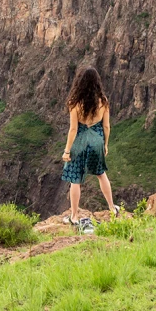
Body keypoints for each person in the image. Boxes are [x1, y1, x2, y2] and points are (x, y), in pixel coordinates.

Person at [61, 67, 120, 227]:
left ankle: (74, 216)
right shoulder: (103, 101)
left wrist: (67, 150)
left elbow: (73, 129)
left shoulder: (74, 103)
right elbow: (106, 126)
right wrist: (105, 144)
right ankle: (112, 208)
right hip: (96, 141)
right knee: (101, 174)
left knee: (75, 179)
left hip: (79, 142)